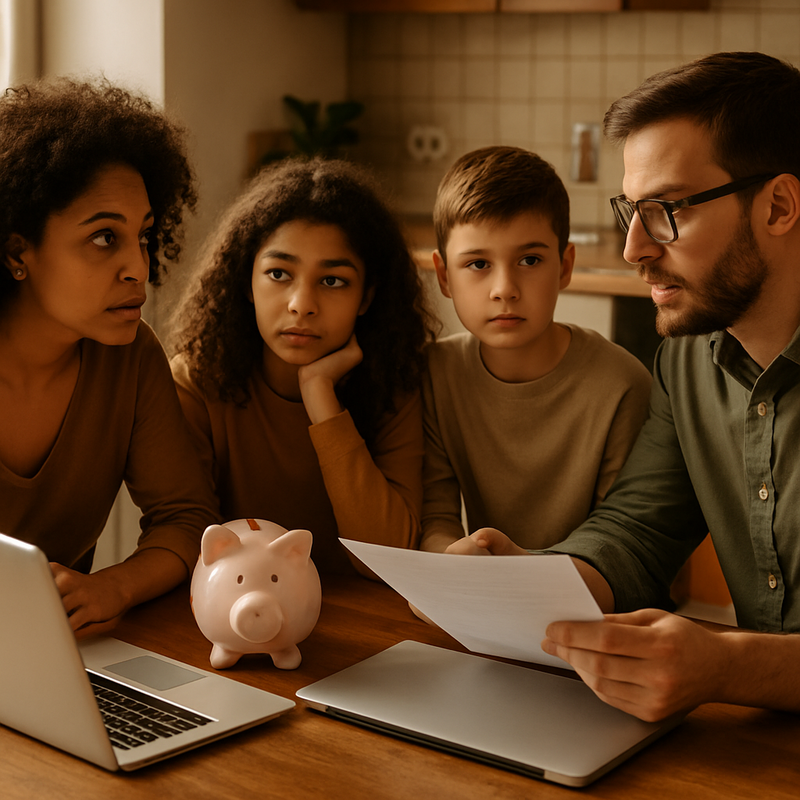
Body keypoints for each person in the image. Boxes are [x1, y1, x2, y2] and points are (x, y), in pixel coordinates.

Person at [448, 51, 800, 722]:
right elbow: (638, 531)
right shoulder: (686, 363)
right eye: (632, 211)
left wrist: (729, 665)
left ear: (778, 206)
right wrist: (529, 581)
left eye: (667, 210)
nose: (635, 246)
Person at [0, 77, 218, 637]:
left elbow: (186, 520)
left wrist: (112, 587)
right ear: (17, 250)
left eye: (143, 236)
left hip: (58, 653)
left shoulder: (130, 357)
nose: (138, 269)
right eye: (103, 238)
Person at [170, 158, 435, 576]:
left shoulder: (394, 382)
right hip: (234, 607)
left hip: (361, 612)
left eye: (332, 281)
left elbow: (388, 560)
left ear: (366, 298)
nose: (301, 304)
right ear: (246, 282)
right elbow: (188, 545)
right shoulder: (195, 382)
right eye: (279, 273)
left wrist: (322, 400)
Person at [420, 146, 652, 553]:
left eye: (529, 260)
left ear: (565, 266)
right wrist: (452, 558)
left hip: (592, 589)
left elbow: (622, 542)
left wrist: (516, 565)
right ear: (444, 276)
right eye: (478, 264)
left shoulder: (622, 385)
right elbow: (436, 518)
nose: (504, 289)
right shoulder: (436, 373)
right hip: (484, 587)